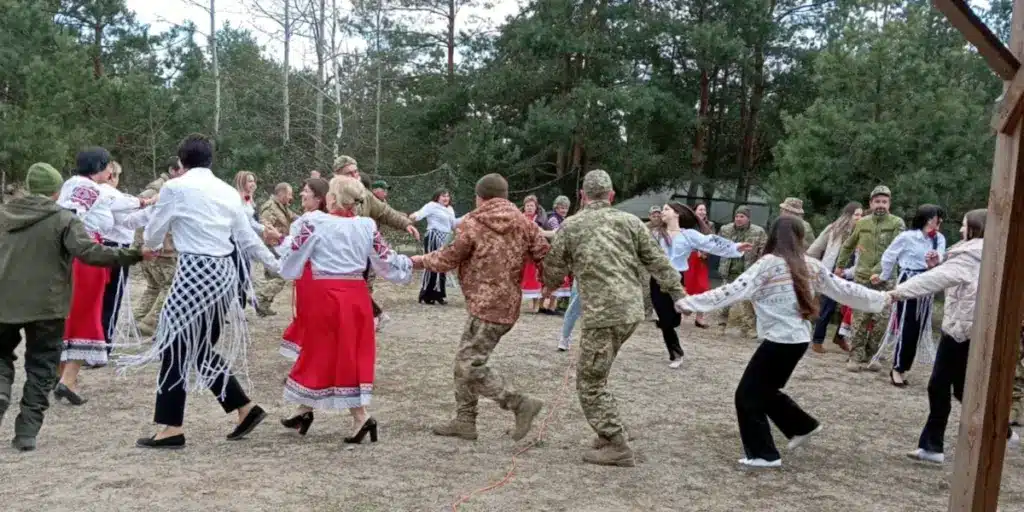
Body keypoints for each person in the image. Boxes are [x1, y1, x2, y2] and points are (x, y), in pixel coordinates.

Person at [676, 217, 888, 468]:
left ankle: (764, 454)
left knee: (747, 395)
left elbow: (732, 291)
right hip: (797, 340)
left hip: (781, 340)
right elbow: (845, 290)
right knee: (764, 391)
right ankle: (802, 426)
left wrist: (690, 303)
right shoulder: (811, 265)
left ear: (772, 235)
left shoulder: (768, 264)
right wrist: (881, 298)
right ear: (800, 237)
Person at [127, 133, 279, 449]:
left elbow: (155, 229)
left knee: (172, 342)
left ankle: (171, 427)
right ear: (210, 160)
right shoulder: (227, 191)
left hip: (194, 271)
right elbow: (247, 239)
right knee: (197, 347)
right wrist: (278, 265)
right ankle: (244, 408)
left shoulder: (175, 188)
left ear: (181, 161)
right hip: (224, 275)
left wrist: (151, 246)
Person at [542, 170, 686, 467]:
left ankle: (616, 443)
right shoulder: (631, 222)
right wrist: (678, 293)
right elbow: (658, 261)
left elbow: (554, 267)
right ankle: (611, 430)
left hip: (603, 315)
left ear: (582, 196)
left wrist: (547, 286)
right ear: (611, 196)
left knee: (590, 382)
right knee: (599, 373)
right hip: (631, 312)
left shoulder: (572, 225)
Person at [0, 163, 147, 451]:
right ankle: (27, 432)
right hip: (48, 306)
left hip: (4, 302)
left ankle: (1, 391)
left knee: (1, 354)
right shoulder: (63, 219)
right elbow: (90, 252)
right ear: (57, 191)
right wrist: (135, 254)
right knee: (42, 366)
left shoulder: (4, 215)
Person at [412, 173, 548, 443]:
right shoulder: (525, 223)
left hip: (486, 307)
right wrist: (550, 284)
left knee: (468, 366)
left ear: (480, 197)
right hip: (505, 305)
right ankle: (465, 421)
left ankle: (519, 403)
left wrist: (418, 261)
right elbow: (544, 253)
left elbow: (449, 256)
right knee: (464, 361)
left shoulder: (473, 224)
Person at [276, 176, 413, 443]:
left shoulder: (315, 223)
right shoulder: (366, 225)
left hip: (327, 299)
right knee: (343, 353)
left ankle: (360, 417)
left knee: (323, 352)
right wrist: (410, 263)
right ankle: (305, 410)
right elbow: (386, 259)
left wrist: (277, 243)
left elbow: (293, 252)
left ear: (333, 198)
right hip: (357, 297)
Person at [889, 210, 1017, 463]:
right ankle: (995, 433)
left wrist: (896, 293)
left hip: (962, 333)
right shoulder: (988, 253)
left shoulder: (970, 256)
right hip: (963, 329)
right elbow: (954, 280)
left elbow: (933, 280)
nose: (960, 229)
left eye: (964, 225)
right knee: (959, 389)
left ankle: (934, 445)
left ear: (977, 228)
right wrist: (939, 266)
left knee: (944, 386)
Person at [54, 148, 152, 404]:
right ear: (100, 166)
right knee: (86, 315)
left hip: (71, 255)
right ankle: (67, 380)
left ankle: (61, 374)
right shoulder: (90, 189)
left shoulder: (73, 185)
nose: (111, 171)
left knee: (69, 314)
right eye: (108, 166)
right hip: (86, 256)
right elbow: (72, 215)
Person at [651, 203, 750, 368]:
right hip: (657, 279)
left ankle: (677, 313)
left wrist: (735, 247)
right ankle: (676, 354)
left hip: (677, 279)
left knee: (673, 320)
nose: (662, 212)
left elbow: (710, 242)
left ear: (677, 214)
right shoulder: (655, 234)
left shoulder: (688, 235)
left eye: (666, 209)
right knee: (665, 319)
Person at [836, 185, 906, 372]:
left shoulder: (897, 223)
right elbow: (848, 245)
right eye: (877, 201)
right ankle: (855, 356)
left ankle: (872, 355)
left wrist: (878, 271)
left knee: (881, 320)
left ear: (889, 203)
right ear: (871, 203)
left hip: (885, 280)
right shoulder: (862, 223)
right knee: (860, 318)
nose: (880, 205)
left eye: (884, 201)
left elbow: (895, 251)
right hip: (862, 278)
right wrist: (840, 266)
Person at [874, 204, 946, 386]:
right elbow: (889, 256)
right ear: (927, 219)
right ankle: (897, 368)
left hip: (928, 282)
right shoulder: (907, 237)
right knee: (907, 326)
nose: (939, 221)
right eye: (937, 217)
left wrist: (935, 260)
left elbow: (942, 258)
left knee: (919, 328)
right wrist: (884, 276)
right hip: (909, 280)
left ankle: (904, 367)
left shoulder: (939, 239)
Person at [97, 161, 151, 355]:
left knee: (101, 298)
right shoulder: (111, 194)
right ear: (112, 176)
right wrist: (151, 208)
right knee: (111, 298)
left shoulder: (99, 193)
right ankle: (103, 343)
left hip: (101, 247)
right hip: (116, 248)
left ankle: (97, 340)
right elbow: (128, 222)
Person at [279, 178, 330, 362]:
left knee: (308, 314)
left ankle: (310, 357)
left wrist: (278, 239)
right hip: (311, 273)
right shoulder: (319, 218)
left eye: (307, 191)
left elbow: (296, 246)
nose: (302, 194)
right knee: (310, 314)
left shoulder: (312, 219)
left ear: (319, 198)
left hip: (310, 273)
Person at [806, 201, 863, 353]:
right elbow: (816, 248)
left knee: (848, 308)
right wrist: (811, 265)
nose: (859, 217)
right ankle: (817, 340)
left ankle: (839, 337)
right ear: (849, 215)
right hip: (832, 271)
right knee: (828, 307)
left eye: (861, 215)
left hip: (851, 272)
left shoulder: (863, 232)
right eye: (856, 214)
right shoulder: (834, 229)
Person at [134, 163, 182, 337]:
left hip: (151, 247)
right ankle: (150, 323)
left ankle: (138, 319)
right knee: (171, 286)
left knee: (154, 286)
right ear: (172, 170)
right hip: (161, 250)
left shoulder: (157, 189)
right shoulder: (158, 191)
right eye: (181, 169)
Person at [717, 205, 768, 337]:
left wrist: (759, 266)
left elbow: (763, 251)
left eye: (742, 216)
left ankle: (749, 328)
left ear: (748, 218)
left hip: (747, 271)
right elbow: (717, 245)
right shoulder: (725, 229)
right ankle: (721, 325)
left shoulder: (758, 232)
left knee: (747, 300)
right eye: (736, 216)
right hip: (729, 269)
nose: (738, 219)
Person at [255, 182, 299, 317]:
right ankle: (258, 296)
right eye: (289, 194)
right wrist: (275, 241)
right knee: (281, 275)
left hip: (279, 245)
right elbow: (265, 227)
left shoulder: (282, 206)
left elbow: (294, 217)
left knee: (271, 277)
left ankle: (263, 306)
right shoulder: (270, 208)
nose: (291, 197)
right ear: (282, 194)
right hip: (272, 246)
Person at [411, 188, 456, 305]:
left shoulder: (450, 209)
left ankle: (439, 294)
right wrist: (411, 217)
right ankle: (426, 295)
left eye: (447, 196)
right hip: (433, 236)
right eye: (443, 196)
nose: (446, 198)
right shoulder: (432, 205)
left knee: (442, 265)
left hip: (445, 239)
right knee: (431, 263)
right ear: (437, 197)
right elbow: (419, 214)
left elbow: (453, 225)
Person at [686, 202, 715, 328]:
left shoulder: (710, 225)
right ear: (694, 211)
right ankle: (678, 311)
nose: (702, 212)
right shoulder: (688, 224)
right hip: (689, 258)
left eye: (704, 210)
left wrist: (705, 253)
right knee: (687, 286)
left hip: (702, 260)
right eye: (700, 209)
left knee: (703, 288)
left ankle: (699, 318)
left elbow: (713, 241)